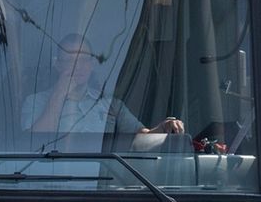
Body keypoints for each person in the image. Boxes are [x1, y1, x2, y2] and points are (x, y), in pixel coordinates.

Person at [22, 34, 185, 137]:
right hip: (54, 183)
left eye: (83, 60)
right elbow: (32, 144)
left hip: (101, 185)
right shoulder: (35, 101)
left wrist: (164, 128)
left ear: (92, 64)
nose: (77, 67)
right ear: (58, 65)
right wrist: (58, 96)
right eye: (70, 61)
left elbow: (142, 138)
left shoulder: (110, 105)